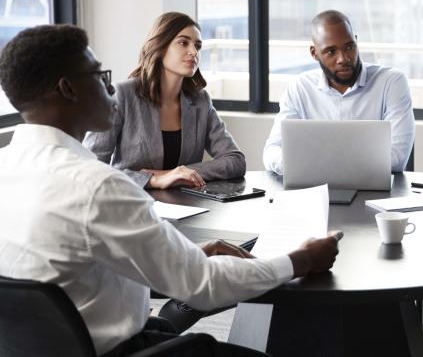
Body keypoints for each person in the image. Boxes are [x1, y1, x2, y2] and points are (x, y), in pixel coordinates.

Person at [0, 24, 342, 356]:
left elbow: (71, 265)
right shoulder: (97, 185)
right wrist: (301, 259)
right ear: (68, 89)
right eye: (100, 77)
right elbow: (204, 286)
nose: (110, 89)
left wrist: (183, 255)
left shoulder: (6, 166)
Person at [84, 12, 245, 190]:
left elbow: (235, 160)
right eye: (183, 43)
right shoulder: (122, 94)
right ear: (160, 47)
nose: (193, 52)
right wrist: (151, 179)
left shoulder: (200, 101)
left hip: (188, 207)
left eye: (197, 46)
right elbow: (90, 168)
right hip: (132, 204)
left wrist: (178, 173)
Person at [262, 10, 415, 174]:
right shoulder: (300, 87)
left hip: (375, 193)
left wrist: (312, 165)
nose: (343, 59)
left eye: (349, 47)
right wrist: (304, 166)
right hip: (315, 190)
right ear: (314, 53)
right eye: (331, 51)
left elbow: (397, 157)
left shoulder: (391, 82)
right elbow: (272, 151)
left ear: (356, 42)